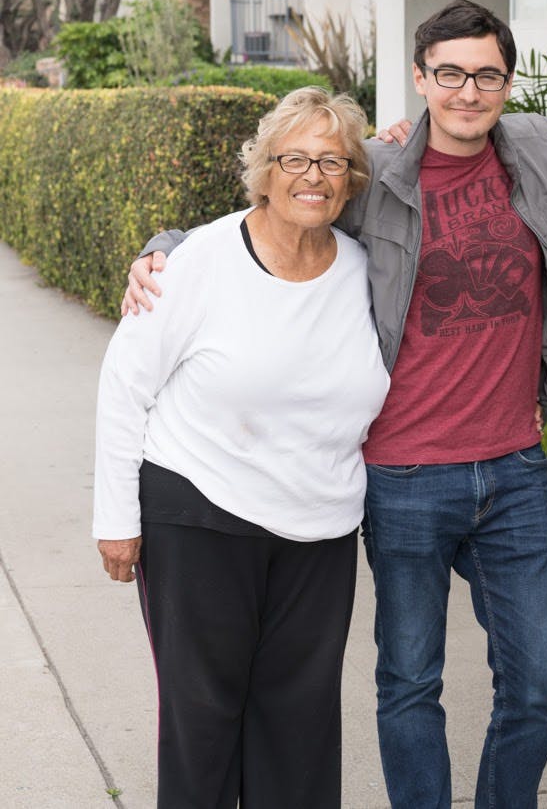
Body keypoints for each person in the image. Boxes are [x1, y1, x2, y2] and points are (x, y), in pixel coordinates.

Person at [122, 0, 547, 809]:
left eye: (486, 75)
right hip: (403, 476)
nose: (468, 91)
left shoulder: (544, 150)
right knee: (407, 683)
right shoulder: (377, 169)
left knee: (538, 680)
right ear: (420, 77)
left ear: (509, 80)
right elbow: (281, 203)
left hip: (514, 465)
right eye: (450, 73)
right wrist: (164, 251)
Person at [93, 87, 391, 807]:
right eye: (294, 158)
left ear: (352, 180)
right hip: (200, 514)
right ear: (263, 169)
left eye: (332, 161)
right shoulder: (196, 262)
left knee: (301, 721)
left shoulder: (366, 271)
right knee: (203, 718)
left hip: (319, 529)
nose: (313, 176)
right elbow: (124, 385)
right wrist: (116, 521)